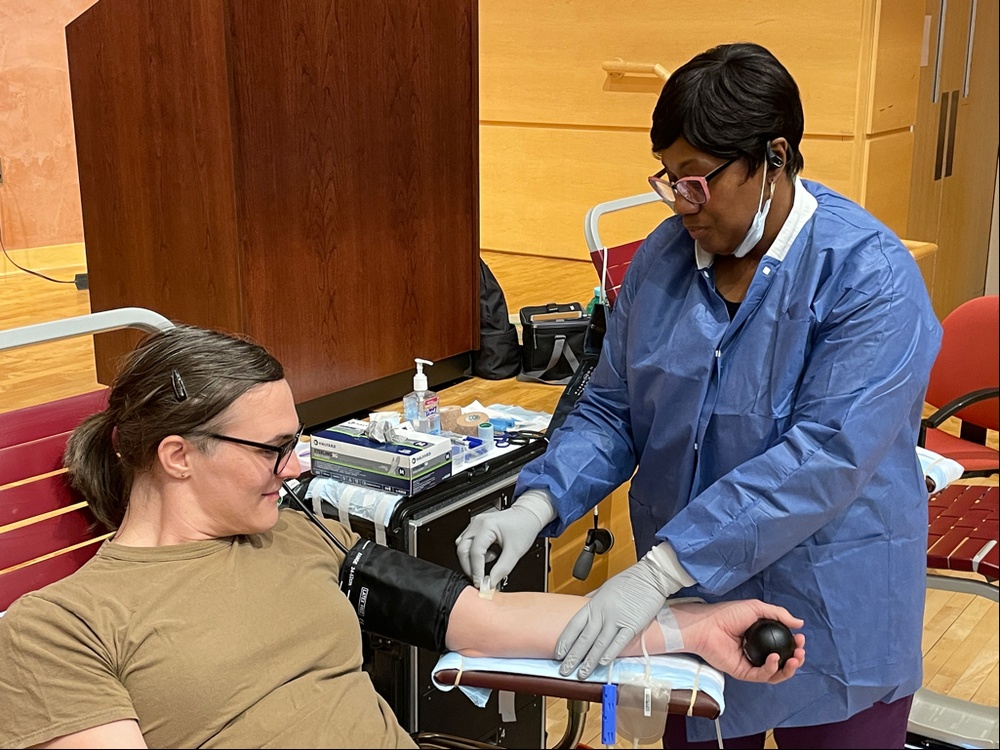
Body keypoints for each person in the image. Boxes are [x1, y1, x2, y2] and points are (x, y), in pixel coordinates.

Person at [456, 41, 942, 749]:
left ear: (773, 159)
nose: (680, 202)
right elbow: (613, 408)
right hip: (698, 604)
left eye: (698, 181)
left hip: (832, 596)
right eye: (668, 179)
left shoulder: (868, 276)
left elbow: (825, 456)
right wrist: (539, 502)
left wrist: (659, 570)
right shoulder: (662, 260)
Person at [0, 324, 805, 750]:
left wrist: (690, 627)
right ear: (177, 455)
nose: (298, 466)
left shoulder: (296, 537)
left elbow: (478, 621)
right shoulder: (58, 630)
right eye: (275, 450)